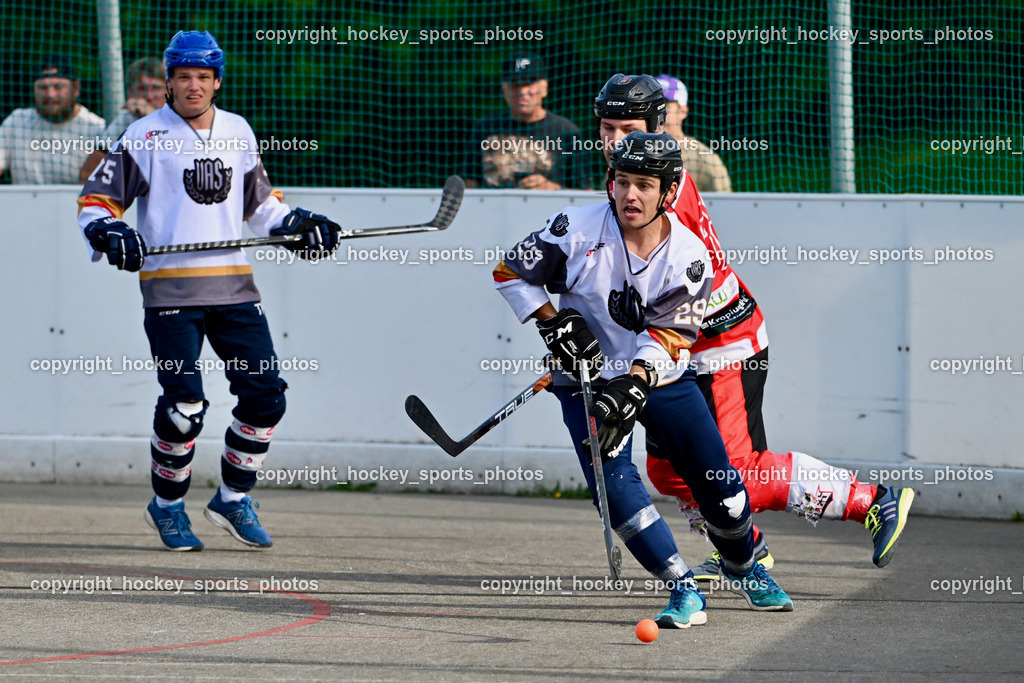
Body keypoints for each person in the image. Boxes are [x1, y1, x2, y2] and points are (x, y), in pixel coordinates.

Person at [593, 73, 915, 578]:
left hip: (721, 342)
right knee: (669, 471)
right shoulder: (636, 176)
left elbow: (645, 285)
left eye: (628, 129)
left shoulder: (660, 188)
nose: (615, 141)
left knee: (733, 472)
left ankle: (871, 499)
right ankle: (745, 544)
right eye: (607, 129)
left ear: (657, 126)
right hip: (678, 346)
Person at [493, 130, 794, 628]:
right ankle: (683, 587)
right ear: (610, 182)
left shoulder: (690, 255)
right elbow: (510, 272)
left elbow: (671, 335)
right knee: (613, 488)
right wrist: (552, 323)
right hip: (585, 377)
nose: (630, 195)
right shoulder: (574, 228)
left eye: (645, 185)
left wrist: (634, 382)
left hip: (660, 377)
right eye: (623, 182)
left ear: (668, 192)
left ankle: (743, 566)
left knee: (720, 486)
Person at [77, 31, 340, 552]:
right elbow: (97, 201)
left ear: (217, 81)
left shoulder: (238, 130)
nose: (193, 86)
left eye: (203, 76)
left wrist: (298, 224)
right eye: (183, 76)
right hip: (170, 292)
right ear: (169, 83)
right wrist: (108, 230)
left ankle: (233, 498)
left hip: (234, 288)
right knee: (185, 408)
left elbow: (261, 208)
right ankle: (167, 507)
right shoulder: (144, 135)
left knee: (265, 397)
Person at [462, 53, 590, 190]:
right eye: (515, 84)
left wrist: (552, 189)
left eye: (529, 83)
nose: (522, 91)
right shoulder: (485, 128)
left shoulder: (566, 132)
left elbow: (585, 194)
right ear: (504, 89)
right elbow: (470, 188)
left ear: (544, 88)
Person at [0, 55, 105, 184]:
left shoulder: (97, 129)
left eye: (58, 87)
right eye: (42, 88)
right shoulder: (16, 122)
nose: (50, 95)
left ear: (75, 88)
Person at [79, 57, 166, 181]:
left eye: (156, 88)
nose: (149, 96)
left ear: (168, 91)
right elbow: (88, 173)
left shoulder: (181, 117)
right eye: (141, 88)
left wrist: (151, 118)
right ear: (130, 92)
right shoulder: (127, 119)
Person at [655, 74, 732, 193]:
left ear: (682, 111)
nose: (656, 111)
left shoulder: (704, 158)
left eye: (664, 105)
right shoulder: (633, 149)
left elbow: (725, 201)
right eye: (652, 105)